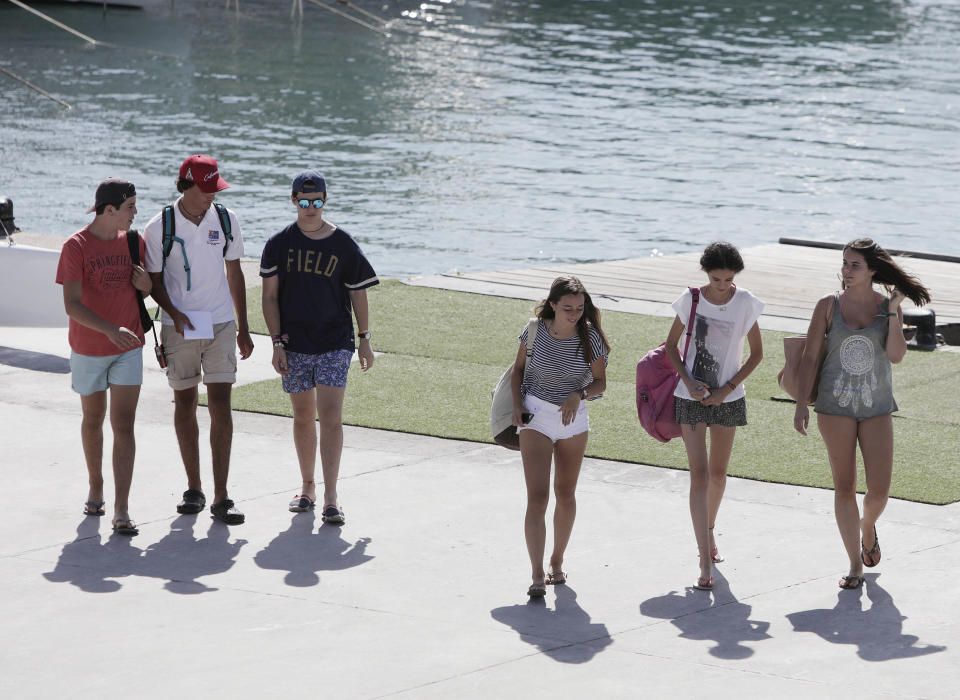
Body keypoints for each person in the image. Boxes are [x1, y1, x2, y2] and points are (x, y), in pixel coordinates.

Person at [793, 238, 930, 590]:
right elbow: (809, 357)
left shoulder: (887, 306)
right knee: (844, 487)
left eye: (854, 264)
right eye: (845, 263)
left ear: (872, 270)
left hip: (876, 407)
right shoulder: (828, 305)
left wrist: (895, 313)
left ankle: (868, 526)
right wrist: (799, 405)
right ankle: (855, 562)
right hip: (833, 406)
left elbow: (897, 356)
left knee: (879, 492)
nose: (847, 270)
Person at [260, 170, 378, 524]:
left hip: (334, 341)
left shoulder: (342, 244)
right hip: (294, 342)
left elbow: (358, 291)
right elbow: (269, 297)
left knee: (330, 417)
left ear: (325, 200)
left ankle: (331, 495)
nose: (311, 208)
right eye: (304, 201)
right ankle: (307, 486)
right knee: (301, 415)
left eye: (317, 201)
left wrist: (365, 339)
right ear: (294, 200)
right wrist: (276, 342)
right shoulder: (278, 243)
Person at [144, 154, 254, 524]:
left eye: (215, 189)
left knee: (221, 403)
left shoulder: (226, 219)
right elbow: (155, 283)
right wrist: (175, 316)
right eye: (206, 189)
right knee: (184, 403)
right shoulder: (159, 226)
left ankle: (222, 496)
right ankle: (194, 488)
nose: (212, 195)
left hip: (221, 323)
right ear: (186, 185)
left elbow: (235, 273)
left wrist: (244, 326)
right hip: (181, 326)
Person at [665, 242, 764, 591]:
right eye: (716, 278)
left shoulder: (746, 301)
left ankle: (709, 532)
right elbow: (670, 347)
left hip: (729, 397)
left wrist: (727, 389)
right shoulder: (690, 299)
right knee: (700, 476)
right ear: (706, 273)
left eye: (728, 279)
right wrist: (689, 382)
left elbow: (757, 354)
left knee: (719, 475)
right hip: (689, 396)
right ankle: (704, 557)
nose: (722, 285)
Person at [55, 178, 151, 536]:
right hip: (89, 349)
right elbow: (72, 305)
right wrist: (109, 329)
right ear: (109, 210)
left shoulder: (133, 242)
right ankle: (96, 487)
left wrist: (147, 287)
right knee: (93, 419)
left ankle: (122, 509)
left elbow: (148, 287)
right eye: (130, 207)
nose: (135, 213)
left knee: (123, 425)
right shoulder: (75, 246)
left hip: (128, 349)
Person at [510, 276, 609, 598]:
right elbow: (518, 371)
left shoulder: (590, 336)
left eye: (580, 309)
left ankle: (556, 561)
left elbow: (600, 384)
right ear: (552, 304)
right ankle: (537, 573)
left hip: (573, 420)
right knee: (537, 498)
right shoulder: (535, 329)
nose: (574, 314)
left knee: (565, 494)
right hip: (535, 415)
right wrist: (515, 406)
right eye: (567, 308)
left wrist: (578, 395)